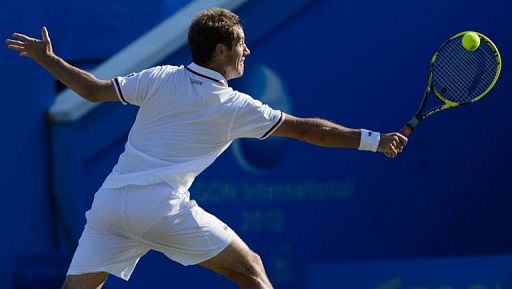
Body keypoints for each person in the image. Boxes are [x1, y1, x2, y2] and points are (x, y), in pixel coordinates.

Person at [6, 7, 407, 289]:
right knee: (251, 270)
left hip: (111, 205)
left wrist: (49, 60)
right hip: (160, 206)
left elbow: (92, 91)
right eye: (240, 44)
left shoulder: (161, 76)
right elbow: (308, 131)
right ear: (219, 51)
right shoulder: (235, 105)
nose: (246, 51)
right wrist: (373, 141)